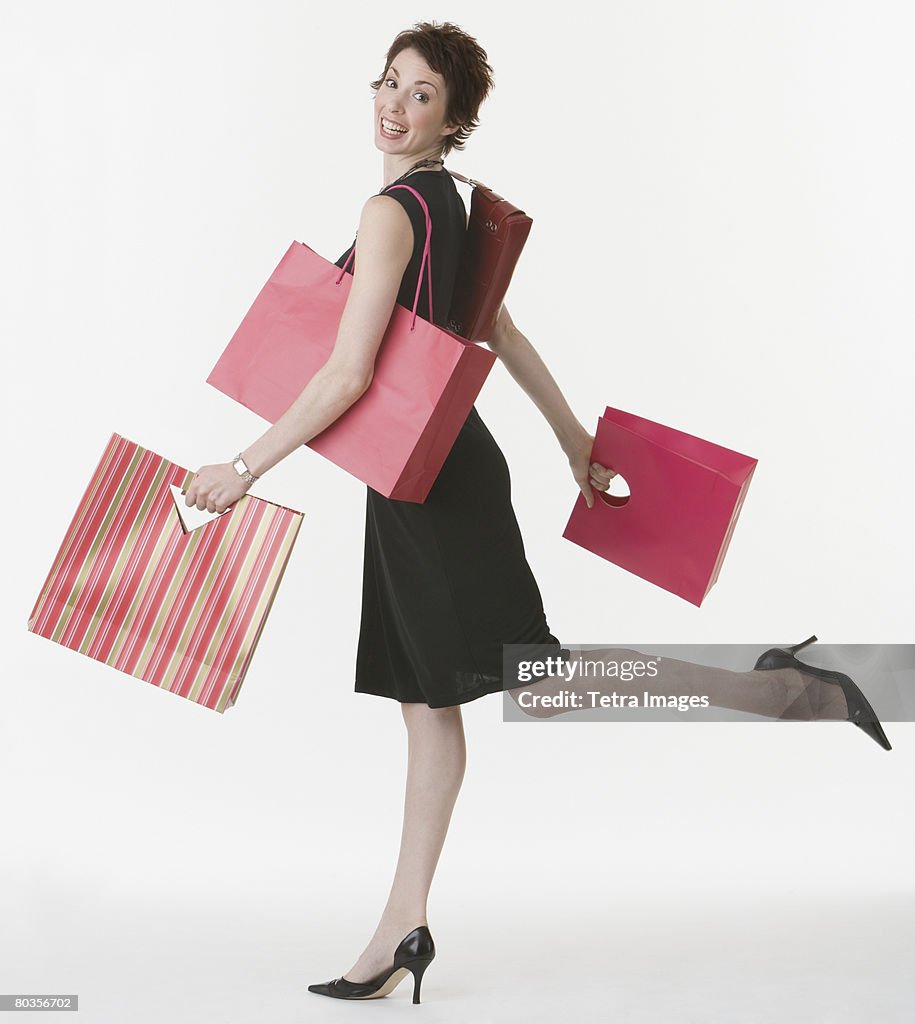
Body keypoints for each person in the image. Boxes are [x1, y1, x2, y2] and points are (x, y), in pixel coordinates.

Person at [182, 20, 892, 1005]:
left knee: (533, 683)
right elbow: (499, 332)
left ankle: (781, 687)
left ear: (453, 117)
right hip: (433, 475)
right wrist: (571, 444)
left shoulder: (393, 208)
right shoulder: (454, 204)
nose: (392, 104)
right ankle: (404, 927)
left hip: (429, 487)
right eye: (387, 82)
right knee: (433, 707)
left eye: (419, 93)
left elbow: (348, 372)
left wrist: (245, 465)